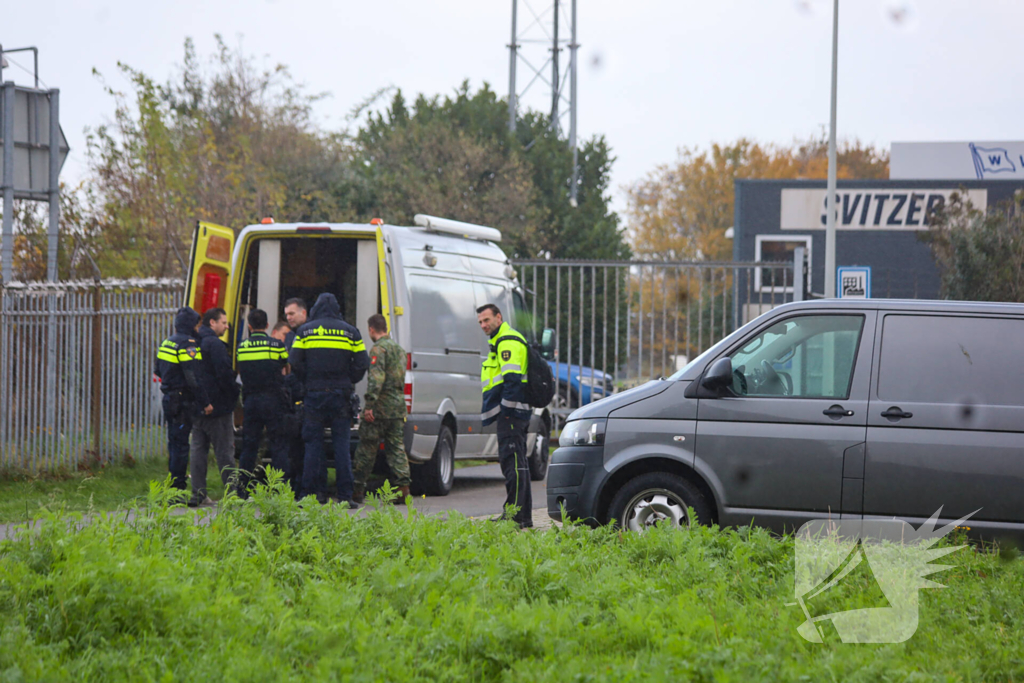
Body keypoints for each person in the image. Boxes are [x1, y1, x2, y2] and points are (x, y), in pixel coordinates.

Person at [289, 293, 370, 506]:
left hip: (314, 396)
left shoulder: (304, 331)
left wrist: (308, 380)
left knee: (312, 446)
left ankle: (308, 495)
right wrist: (348, 379)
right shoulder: (351, 332)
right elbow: (362, 362)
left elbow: (294, 361)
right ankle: (345, 497)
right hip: (340, 395)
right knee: (341, 446)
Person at [477, 303, 533, 528]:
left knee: (513, 465)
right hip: (515, 412)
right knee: (518, 464)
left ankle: (514, 516)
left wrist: (507, 413)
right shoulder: (502, 340)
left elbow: (512, 381)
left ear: (499, 318)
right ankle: (522, 516)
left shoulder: (507, 341)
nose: (483, 325)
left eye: (487, 320)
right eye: (480, 322)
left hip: (512, 413)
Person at [352, 314, 411, 504]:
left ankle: (357, 489)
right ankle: (403, 488)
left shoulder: (378, 349)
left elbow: (376, 379)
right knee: (396, 448)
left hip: (380, 408)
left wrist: (369, 405)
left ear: (371, 330)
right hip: (397, 407)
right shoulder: (400, 350)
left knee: (367, 449)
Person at [154, 307, 212, 492]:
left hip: (169, 399)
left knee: (174, 442)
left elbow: (157, 370)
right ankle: (177, 488)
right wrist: (205, 402)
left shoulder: (167, 342)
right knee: (181, 446)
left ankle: (173, 484)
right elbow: (193, 377)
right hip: (182, 401)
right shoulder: (188, 345)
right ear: (191, 325)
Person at [187, 307, 240, 507]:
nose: (226, 326)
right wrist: (234, 393)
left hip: (198, 406)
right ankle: (232, 495)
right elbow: (225, 374)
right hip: (218, 407)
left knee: (198, 450)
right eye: (224, 322)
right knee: (224, 451)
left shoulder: (192, 343)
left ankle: (198, 493)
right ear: (212, 323)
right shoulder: (214, 345)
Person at [235, 308, 290, 496]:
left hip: (251, 401)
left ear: (249, 326)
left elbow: (241, 371)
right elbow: (286, 366)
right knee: (278, 445)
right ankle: (280, 488)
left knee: (250, 445)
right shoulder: (276, 345)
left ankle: (242, 489)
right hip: (273, 400)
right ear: (267, 325)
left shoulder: (242, 347)